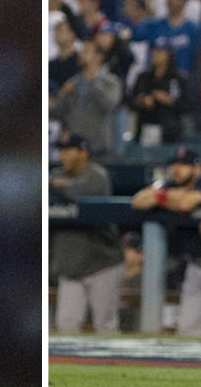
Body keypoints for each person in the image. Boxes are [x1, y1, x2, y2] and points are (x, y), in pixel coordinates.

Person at [130, 148, 201, 338]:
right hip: (195, 267)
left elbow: (187, 203)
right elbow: (138, 201)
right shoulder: (168, 184)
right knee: (187, 330)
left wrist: (161, 197)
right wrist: (168, 195)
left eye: (184, 165)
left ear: (197, 169)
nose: (177, 169)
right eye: (175, 165)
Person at [49, 135, 124, 334]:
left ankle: (113, 365)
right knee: (65, 327)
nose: (63, 155)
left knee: (106, 328)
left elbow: (79, 191)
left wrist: (56, 186)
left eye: (69, 150)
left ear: (83, 153)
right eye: (62, 150)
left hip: (102, 264)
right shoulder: (54, 173)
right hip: (70, 268)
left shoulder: (97, 175)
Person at [51, 42, 124, 155]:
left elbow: (110, 105)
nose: (81, 54)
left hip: (98, 146)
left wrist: (93, 82)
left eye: (86, 51)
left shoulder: (110, 81)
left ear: (99, 57)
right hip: (73, 147)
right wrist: (58, 96)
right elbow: (57, 112)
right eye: (81, 51)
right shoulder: (72, 83)